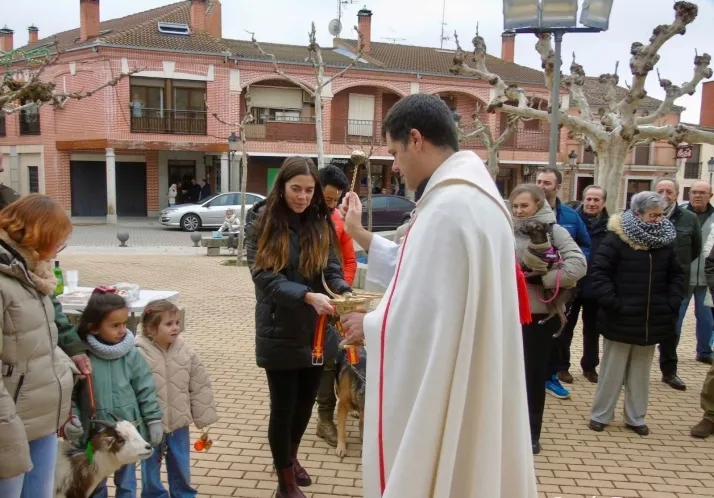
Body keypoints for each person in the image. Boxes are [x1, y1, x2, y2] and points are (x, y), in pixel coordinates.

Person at [338, 94, 537, 497]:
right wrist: (358, 233)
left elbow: (422, 315)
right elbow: (421, 272)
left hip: (453, 367)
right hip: (477, 361)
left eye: (394, 152)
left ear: (415, 139)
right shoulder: (476, 197)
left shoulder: (448, 207)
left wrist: (370, 325)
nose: (395, 166)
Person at [244, 156, 352, 498]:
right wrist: (306, 296)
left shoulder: (321, 221)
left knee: (305, 404)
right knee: (284, 408)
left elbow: (331, 269)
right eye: (296, 189)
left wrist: (345, 292)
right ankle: (285, 482)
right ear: (282, 186)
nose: (303, 197)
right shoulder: (263, 221)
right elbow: (264, 277)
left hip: (317, 332)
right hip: (279, 328)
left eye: (308, 190)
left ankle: (290, 459)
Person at [0, 195, 78, 498]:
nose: (59, 250)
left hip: (40, 417)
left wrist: (66, 373)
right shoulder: (7, 280)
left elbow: (41, 341)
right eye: (58, 241)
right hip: (10, 423)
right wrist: (6, 424)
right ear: (38, 235)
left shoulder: (33, 275)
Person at [588, 191, 684, 436]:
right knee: (612, 370)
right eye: (653, 215)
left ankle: (635, 417)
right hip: (620, 316)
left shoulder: (665, 240)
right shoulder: (616, 238)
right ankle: (601, 415)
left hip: (652, 318)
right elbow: (599, 273)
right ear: (638, 214)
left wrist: (672, 301)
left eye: (661, 215)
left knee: (641, 372)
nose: (658, 220)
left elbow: (676, 275)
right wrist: (613, 303)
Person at [510, 184, 586, 453]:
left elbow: (579, 264)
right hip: (506, 314)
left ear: (539, 205)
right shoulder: (502, 229)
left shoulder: (556, 231)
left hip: (539, 315)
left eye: (525, 205)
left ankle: (531, 434)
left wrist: (544, 279)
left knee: (533, 377)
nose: (519, 211)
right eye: (515, 206)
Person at [71, 288, 163, 498]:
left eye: (124, 323)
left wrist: (153, 419)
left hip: (128, 435)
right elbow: (71, 394)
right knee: (95, 483)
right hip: (94, 436)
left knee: (127, 483)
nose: (122, 330)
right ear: (94, 327)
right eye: (115, 325)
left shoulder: (131, 354)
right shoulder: (81, 356)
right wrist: (73, 418)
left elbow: (145, 389)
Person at [136, 300, 218, 498]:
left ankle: (183, 493)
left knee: (181, 463)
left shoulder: (185, 350)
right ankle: (153, 494)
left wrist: (203, 416)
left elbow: (199, 384)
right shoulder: (137, 352)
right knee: (150, 464)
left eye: (177, 323)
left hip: (179, 422)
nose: (175, 328)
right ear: (150, 329)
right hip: (149, 423)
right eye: (169, 324)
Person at [535, 168, 590, 398]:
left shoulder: (570, 216)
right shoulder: (522, 214)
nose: (541, 186)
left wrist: (566, 270)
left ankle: (551, 377)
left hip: (561, 286)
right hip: (532, 287)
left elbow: (585, 246)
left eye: (546, 183)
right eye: (538, 181)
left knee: (558, 334)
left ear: (558, 187)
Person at [314, 165, 357, 447]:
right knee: (311, 362)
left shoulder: (337, 222)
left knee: (332, 360)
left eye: (335, 200)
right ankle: (316, 417)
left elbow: (349, 262)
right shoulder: (294, 220)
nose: (331, 205)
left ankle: (328, 417)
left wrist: (344, 295)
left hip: (332, 303)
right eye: (327, 199)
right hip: (303, 303)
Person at [556, 185, 610, 383]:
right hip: (572, 283)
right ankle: (562, 367)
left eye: (596, 200)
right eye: (588, 199)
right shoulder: (572, 222)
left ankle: (590, 366)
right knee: (566, 327)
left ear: (603, 203)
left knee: (593, 330)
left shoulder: (611, 227)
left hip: (596, 285)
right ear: (583, 199)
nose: (591, 203)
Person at [655, 178, 701, 391]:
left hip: (674, 283)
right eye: (660, 190)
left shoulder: (690, 219)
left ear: (676, 194)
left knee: (671, 328)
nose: (664, 195)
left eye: (669, 191)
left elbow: (695, 250)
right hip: (646, 280)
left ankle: (669, 372)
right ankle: (631, 371)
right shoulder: (640, 214)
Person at [679, 180, 714, 365]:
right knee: (676, 317)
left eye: (702, 192)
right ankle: (667, 350)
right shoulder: (680, 214)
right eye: (694, 192)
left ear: (710, 196)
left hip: (707, 279)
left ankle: (704, 352)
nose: (698, 195)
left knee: (706, 320)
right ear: (689, 194)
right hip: (682, 276)